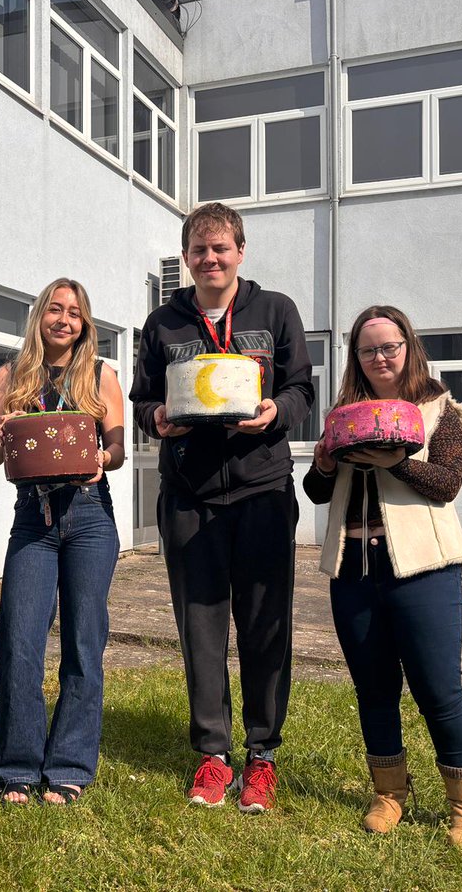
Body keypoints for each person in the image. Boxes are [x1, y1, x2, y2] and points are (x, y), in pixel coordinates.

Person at [130, 202, 314, 812]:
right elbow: (142, 399)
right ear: (186, 258)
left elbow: (301, 389)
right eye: (199, 250)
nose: (210, 259)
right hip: (190, 497)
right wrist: (156, 418)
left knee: (265, 627)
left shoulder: (275, 310)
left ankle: (262, 756)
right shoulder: (163, 322)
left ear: (240, 251)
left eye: (220, 249)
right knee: (201, 631)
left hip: (263, 491)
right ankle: (213, 754)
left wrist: (277, 413)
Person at [302, 305, 462, 847]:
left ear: (409, 347)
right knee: (374, 689)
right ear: (355, 357)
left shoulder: (440, 410)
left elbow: (448, 483)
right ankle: (389, 793)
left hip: (423, 569)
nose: (379, 357)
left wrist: (395, 462)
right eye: (368, 349)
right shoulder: (344, 416)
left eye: (389, 346)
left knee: (438, 690)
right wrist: (325, 463)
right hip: (353, 570)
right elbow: (317, 492)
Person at [0, 278, 126, 805]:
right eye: (55, 309)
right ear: (40, 315)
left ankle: (68, 765)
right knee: (18, 640)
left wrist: (100, 459)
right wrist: (7, 429)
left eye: (74, 312)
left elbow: (118, 450)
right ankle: (18, 766)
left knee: (84, 643)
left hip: (89, 517)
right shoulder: (10, 374)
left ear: (84, 324)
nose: (64, 320)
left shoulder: (101, 373)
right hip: (33, 520)